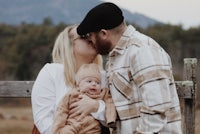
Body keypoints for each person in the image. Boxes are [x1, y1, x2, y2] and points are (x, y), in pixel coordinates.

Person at [76, 2, 183, 134]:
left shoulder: (142, 50)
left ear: (104, 34)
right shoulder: (115, 58)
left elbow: (156, 109)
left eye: (90, 36)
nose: (90, 41)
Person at [31, 25, 110, 134]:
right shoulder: (52, 72)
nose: (91, 37)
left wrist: (96, 107)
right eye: (84, 35)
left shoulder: (103, 77)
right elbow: (43, 119)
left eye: (92, 34)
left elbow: (115, 119)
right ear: (69, 44)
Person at [52, 63, 116, 134]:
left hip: (92, 128)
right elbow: (62, 110)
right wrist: (58, 129)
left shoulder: (102, 95)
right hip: (73, 124)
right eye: (89, 81)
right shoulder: (72, 94)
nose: (94, 84)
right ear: (79, 85)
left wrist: (111, 119)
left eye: (97, 83)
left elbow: (110, 104)